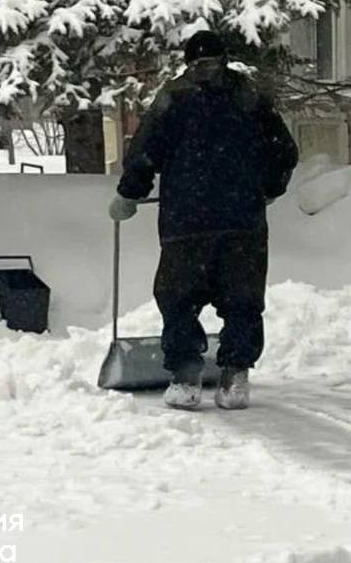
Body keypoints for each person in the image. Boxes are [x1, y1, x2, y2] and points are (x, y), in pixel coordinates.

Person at [109, 30, 299, 410]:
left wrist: (130, 194)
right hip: (238, 222)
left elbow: (145, 152)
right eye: (201, 64)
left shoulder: (174, 99)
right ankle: (233, 376)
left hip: (188, 222)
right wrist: (269, 187)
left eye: (208, 63)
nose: (206, 70)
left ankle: (187, 375)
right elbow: (283, 150)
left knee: (179, 298)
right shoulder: (248, 98)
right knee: (241, 299)